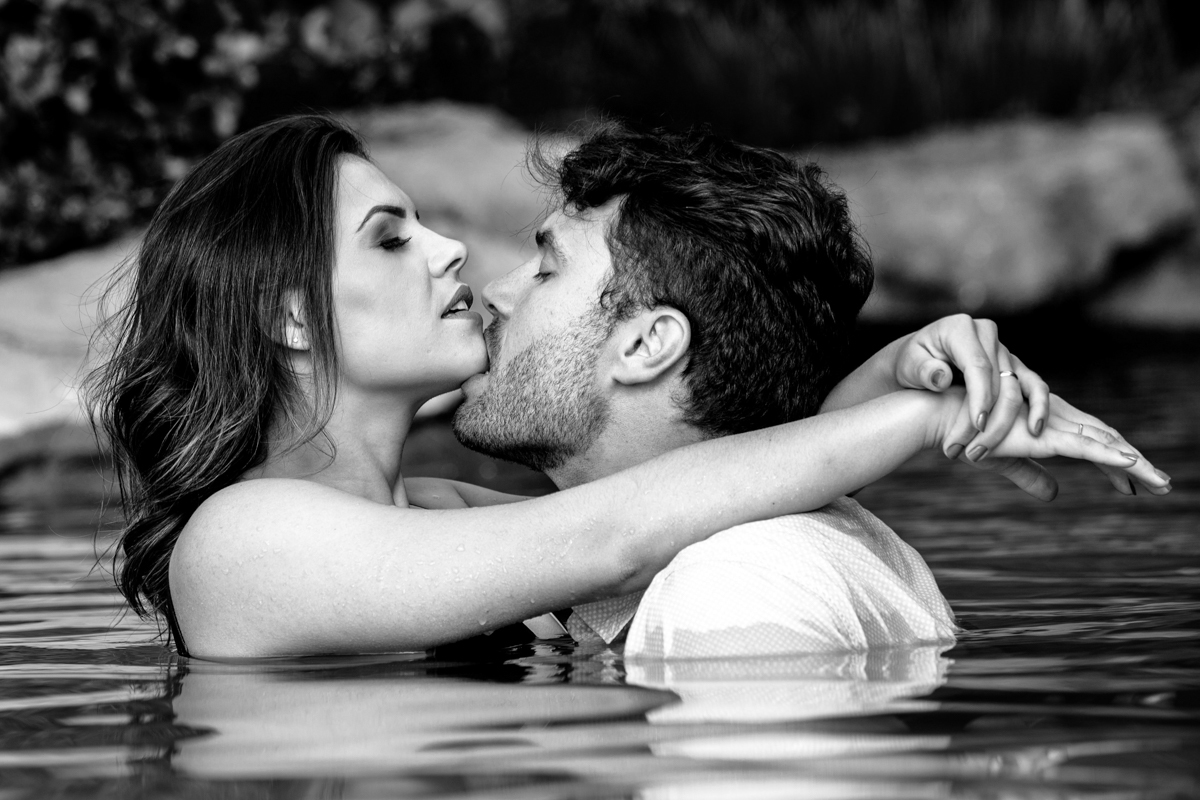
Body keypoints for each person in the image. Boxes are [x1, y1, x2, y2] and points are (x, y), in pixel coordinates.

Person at [86, 114, 1167, 660]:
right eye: (390, 237)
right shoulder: (241, 539)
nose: (451, 249)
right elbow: (615, 534)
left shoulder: (433, 514)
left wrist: (881, 377)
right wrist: (916, 417)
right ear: (287, 317)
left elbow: (682, 499)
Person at [447, 122, 1172, 657]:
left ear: (646, 345)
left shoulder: (736, 588)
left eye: (546, 270)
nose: (496, 292)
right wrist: (894, 401)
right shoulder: (739, 563)